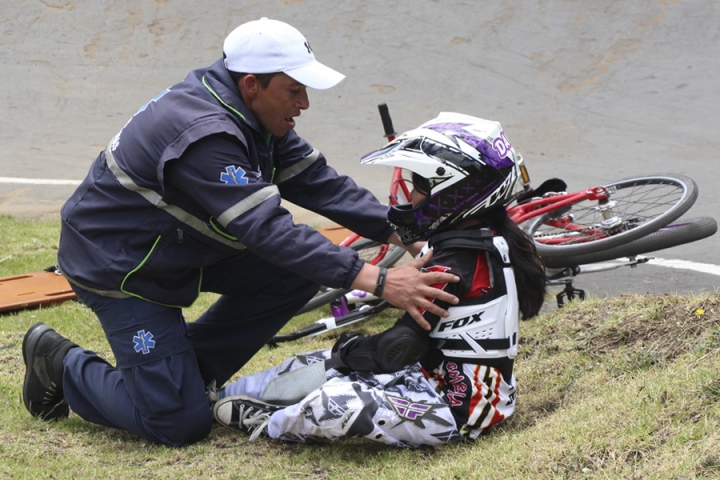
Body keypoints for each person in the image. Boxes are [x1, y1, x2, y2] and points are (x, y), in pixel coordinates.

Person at [21, 18, 462, 447]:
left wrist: (412, 233)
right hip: (121, 268)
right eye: (294, 90)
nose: (304, 103)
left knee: (299, 270)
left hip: (176, 250)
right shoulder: (204, 134)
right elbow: (265, 228)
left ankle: (184, 379)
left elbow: (319, 184)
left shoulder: (253, 115)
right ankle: (61, 363)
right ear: (252, 84)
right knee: (177, 424)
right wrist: (382, 281)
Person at [211, 113, 548, 447]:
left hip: (461, 410)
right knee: (314, 362)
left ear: (455, 192)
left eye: (419, 184)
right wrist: (338, 358)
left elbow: (394, 352)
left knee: (334, 401)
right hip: (432, 378)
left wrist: (345, 354)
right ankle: (221, 396)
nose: (411, 194)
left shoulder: (453, 264)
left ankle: (268, 421)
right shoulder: (488, 240)